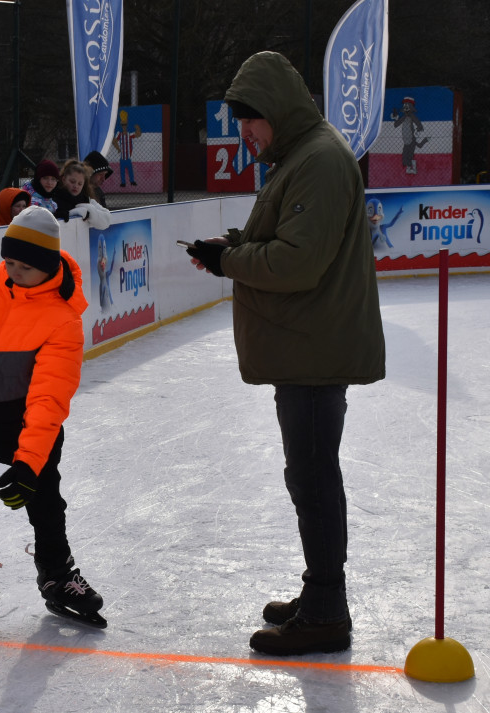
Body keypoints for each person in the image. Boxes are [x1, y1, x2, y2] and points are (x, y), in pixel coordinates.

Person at [184, 51, 386, 657]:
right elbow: (286, 239)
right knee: (310, 475)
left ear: (276, 110)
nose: (244, 132)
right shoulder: (301, 156)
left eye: (250, 119)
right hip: (306, 344)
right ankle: (320, 592)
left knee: (315, 478)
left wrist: (229, 261)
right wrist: (237, 244)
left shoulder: (320, 160)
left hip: (314, 347)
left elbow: (298, 262)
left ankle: (327, 608)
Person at [0, 205, 105, 647]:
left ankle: (56, 573)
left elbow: (49, 397)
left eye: (25, 267)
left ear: (47, 267)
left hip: (26, 422)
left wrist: (28, 464)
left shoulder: (62, 320)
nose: (13, 272)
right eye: (8, 262)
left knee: (44, 501)